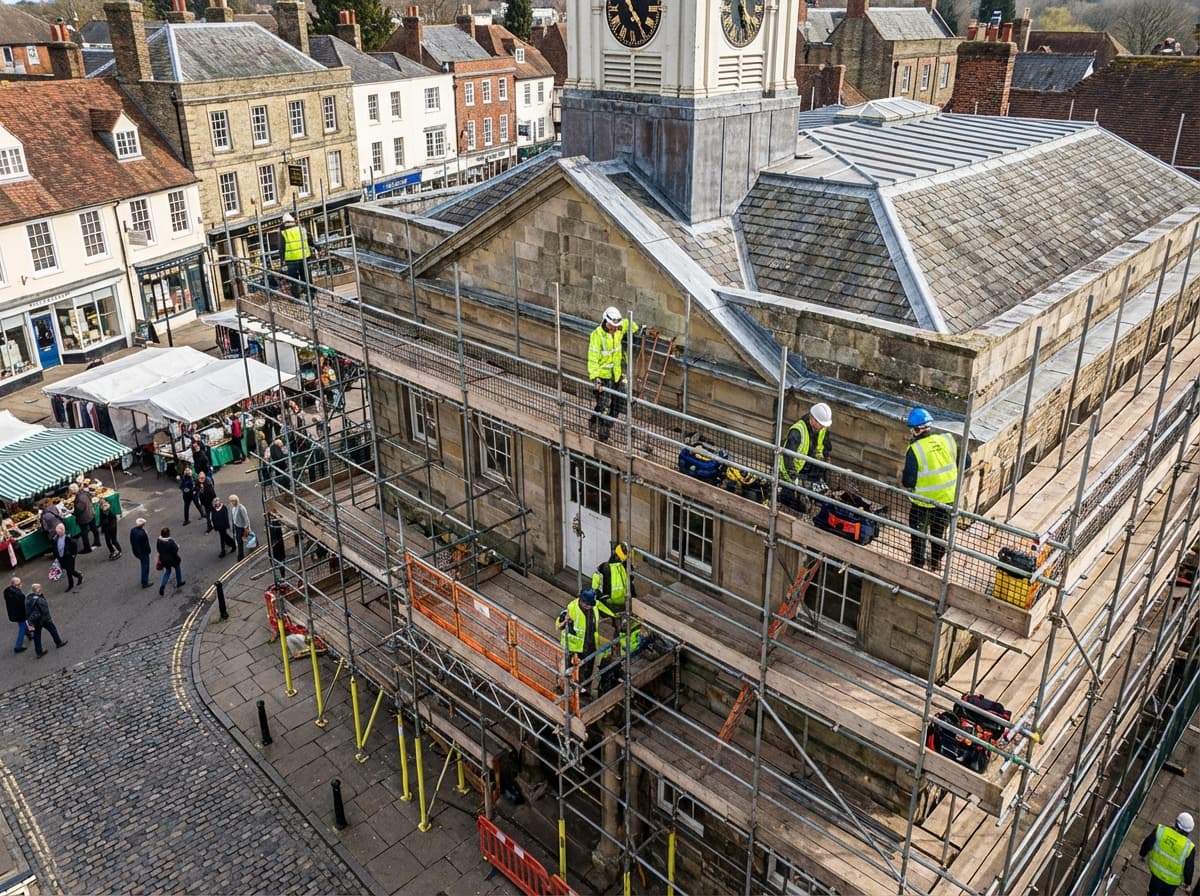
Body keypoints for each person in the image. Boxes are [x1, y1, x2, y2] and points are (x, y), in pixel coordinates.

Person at [902, 407, 965, 572]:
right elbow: (966, 462)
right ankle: (936, 562)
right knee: (939, 533)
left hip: (922, 502)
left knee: (919, 534)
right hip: (946, 499)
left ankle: (917, 564)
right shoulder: (948, 440)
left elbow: (908, 481)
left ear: (916, 430)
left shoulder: (915, 449)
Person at [587, 306, 639, 442]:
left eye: (616, 326)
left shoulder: (618, 329)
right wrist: (596, 379)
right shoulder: (597, 335)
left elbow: (631, 325)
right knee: (604, 406)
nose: (614, 328)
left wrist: (639, 329)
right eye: (612, 325)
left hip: (616, 374)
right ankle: (603, 436)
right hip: (603, 377)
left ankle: (598, 422)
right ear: (606, 322)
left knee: (618, 404)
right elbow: (592, 359)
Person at [556, 588, 615, 698]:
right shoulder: (572, 608)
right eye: (588, 605)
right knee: (570, 670)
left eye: (591, 605)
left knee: (587, 668)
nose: (590, 607)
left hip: (590, 643)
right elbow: (559, 625)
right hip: (574, 646)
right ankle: (566, 689)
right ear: (582, 601)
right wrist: (564, 621)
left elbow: (607, 610)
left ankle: (582, 690)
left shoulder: (594, 605)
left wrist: (617, 615)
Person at [778, 403, 833, 510]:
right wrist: (792, 479)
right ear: (812, 419)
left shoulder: (821, 429)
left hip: (806, 467)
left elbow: (824, 447)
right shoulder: (797, 431)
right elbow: (787, 458)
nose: (823, 427)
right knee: (792, 502)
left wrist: (824, 459)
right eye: (821, 424)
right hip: (790, 472)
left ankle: (811, 496)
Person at [1140, 812, 1196, 895]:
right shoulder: (1189, 847)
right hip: (1172, 881)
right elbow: (1189, 868)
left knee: (1153, 890)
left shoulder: (1161, 830)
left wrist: (1142, 854)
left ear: (1176, 822)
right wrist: (1188, 882)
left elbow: (1148, 843)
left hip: (1156, 871)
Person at [591, 542, 636, 613]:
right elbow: (595, 589)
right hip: (610, 606)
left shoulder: (626, 568)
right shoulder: (605, 568)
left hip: (622, 606)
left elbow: (631, 585)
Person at [24, 583, 66, 658]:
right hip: (43, 619)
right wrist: (49, 619)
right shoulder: (39, 600)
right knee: (53, 629)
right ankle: (58, 642)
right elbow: (45, 611)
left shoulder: (28, 598)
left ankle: (39, 652)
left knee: (37, 636)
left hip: (34, 620)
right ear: (38, 590)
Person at [280, 212, 312, 299]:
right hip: (304, 257)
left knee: (294, 281)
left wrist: (282, 262)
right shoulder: (301, 229)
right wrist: (318, 248)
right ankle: (309, 296)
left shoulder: (284, 233)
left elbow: (281, 248)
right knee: (306, 278)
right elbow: (309, 239)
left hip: (291, 260)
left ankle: (297, 298)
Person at [70, 483, 100, 554]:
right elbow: (90, 500)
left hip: (83, 518)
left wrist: (73, 513)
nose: (70, 492)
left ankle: (87, 548)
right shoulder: (85, 493)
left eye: (70, 490)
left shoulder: (79, 498)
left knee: (84, 534)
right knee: (94, 529)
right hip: (90, 513)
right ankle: (97, 542)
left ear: (73, 490)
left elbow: (80, 509)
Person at [53, 523, 83, 592]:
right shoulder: (56, 538)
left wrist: (73, 555)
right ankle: (78, 576)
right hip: (62, 557)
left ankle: (73, 582)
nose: (57, 533)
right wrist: (57, 556)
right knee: (69, 570)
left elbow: (74, 545)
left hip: (69, 557)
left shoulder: (68, 538)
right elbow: (55, 548)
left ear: (62, 531)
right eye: (57, 532)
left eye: (59, 532)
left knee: (70, 571)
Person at [156, 527, 185, 596]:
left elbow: (158, 550)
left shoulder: (159, 541)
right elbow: (175, 550)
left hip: (164, 560)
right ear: (167, 534)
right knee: (177, 568)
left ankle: (162, 586)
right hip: (173, 559)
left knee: (167, 572)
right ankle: (179, 582)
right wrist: (177, 546)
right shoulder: (170, 542)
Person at [4, 576, 28, 654]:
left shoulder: (7, 591)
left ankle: (28, 634)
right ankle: (18, 646)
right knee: (22, 627)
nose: (21, 585)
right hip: (20, 614)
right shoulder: (19, 595)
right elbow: (24, 606)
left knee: (22, 625)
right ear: (16, 585)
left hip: (13, 613)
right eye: (19, 584)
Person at [129, 517, 153, 588]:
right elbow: (145, 544)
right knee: (145, 566)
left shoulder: (133, 530)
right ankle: (145, 582)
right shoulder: (142, 534)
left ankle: (145, 580)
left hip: (136, 551)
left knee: (143, 564)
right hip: (143, 552)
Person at [228, 495, 251, 561]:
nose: (231, 503)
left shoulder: (241, 508)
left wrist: (246, 528)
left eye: (233, 501)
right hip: (236, 526)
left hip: (242, 527)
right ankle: (240, 555)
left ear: (236, 501)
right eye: (231, 501)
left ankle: (240, 556)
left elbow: (246, 519)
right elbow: (233, 517)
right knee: (239, 541)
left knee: (245, 538)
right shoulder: (233, 508)